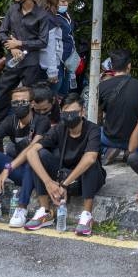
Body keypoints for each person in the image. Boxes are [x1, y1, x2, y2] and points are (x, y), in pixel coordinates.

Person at [21, 93, 106, 235]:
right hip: (62, 176)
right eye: (66, 113)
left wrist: (65, 184)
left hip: (86, 180)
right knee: (40, 155)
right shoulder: (59, 129)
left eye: (73, 112)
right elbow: (30, 152)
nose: (69, 116)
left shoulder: (93, 129)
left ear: (82, 112)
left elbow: (90, 158)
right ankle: (45, 212)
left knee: (89, 162)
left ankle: (87, 216)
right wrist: (49, 182)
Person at [0, 85, 51, 222]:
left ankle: (21, 208)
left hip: (38, 173)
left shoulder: (42, 121)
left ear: (31, 104)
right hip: (19, 170)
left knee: (33, 160)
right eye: (15, 102)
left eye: (23, 102)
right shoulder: (10, 121)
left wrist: (8, 168)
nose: (19, 105)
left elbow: (31, 149)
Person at [0, 0, 50, 122]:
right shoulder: (12, 9)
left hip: (31, 63)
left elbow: (43, 42)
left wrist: (20, 43)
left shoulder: (42, 15)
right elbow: (2, 32)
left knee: (30, 96)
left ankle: (32, 126)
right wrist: (12, 47)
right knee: (2, 93)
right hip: (12, 61)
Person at [97, 49, 138, 162]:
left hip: (109, 137)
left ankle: (110, 149)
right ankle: (129, 150)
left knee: (92, 134)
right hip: (132, 138)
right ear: (129, 66)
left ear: (112, 67)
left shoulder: (102, 86)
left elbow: (97, 115)